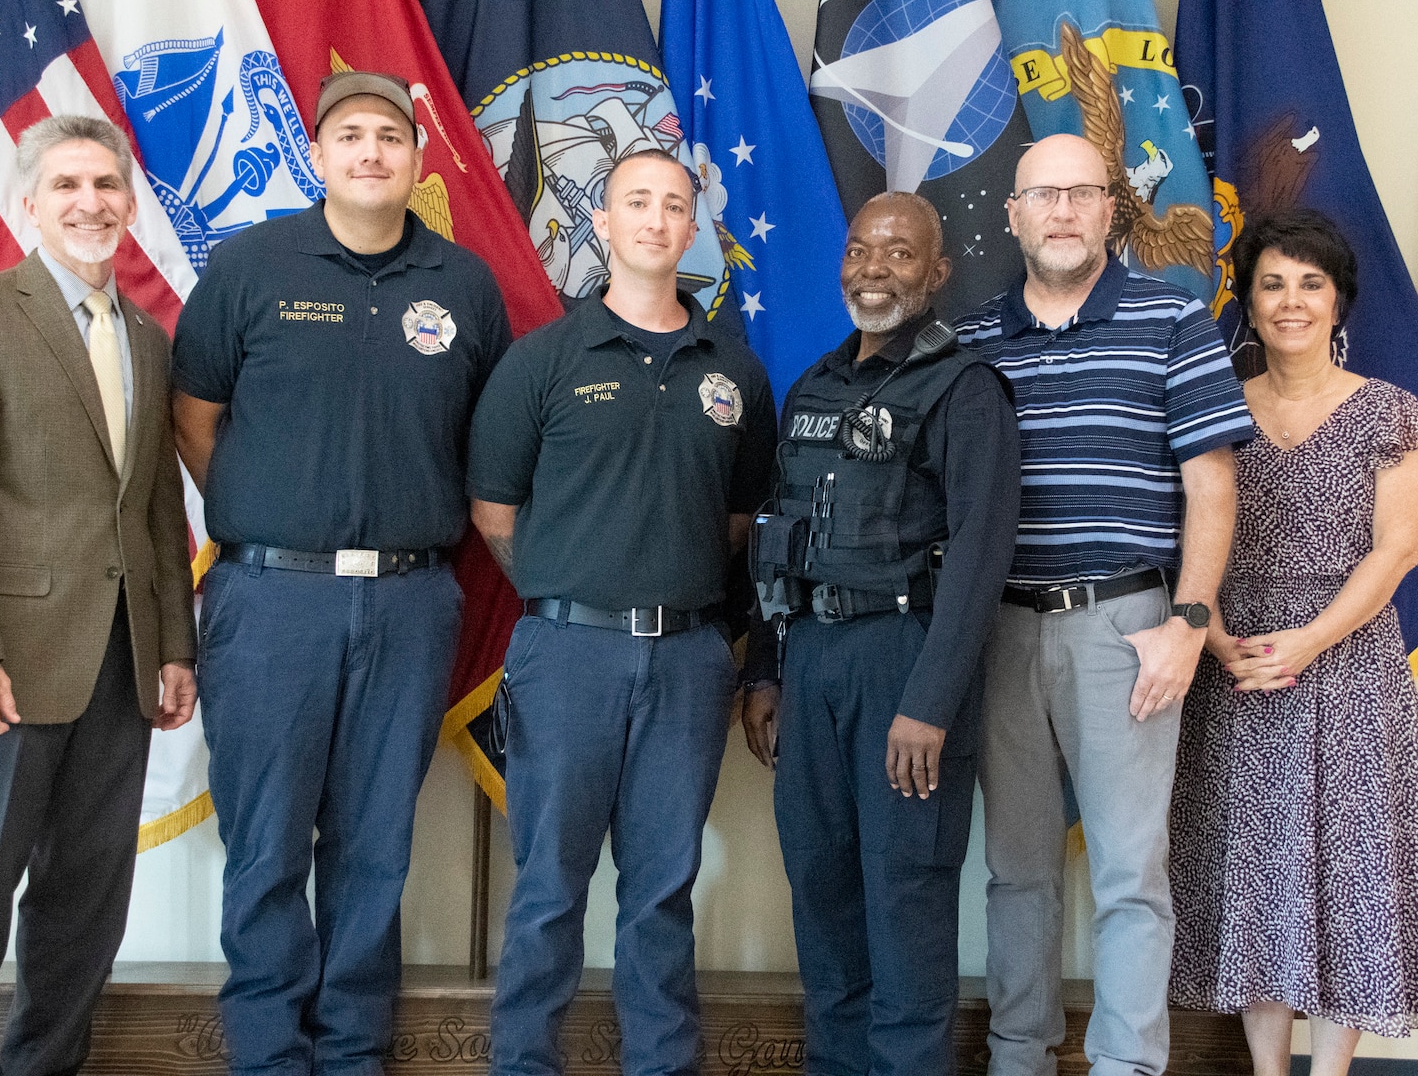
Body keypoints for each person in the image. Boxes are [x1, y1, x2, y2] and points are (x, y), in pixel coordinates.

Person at [170, 71, 512, 1073]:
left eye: (390, 137)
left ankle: (354, 1053)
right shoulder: (248, 266)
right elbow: (194, 420)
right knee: (268, 845)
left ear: (416, 158)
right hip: (269, 602)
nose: (371, 153)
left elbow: (486, 442)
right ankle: (270, 1056)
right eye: (350, 135)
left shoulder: (463, 286)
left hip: (410, 602)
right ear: (316, 156)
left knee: (374, 850)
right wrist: (280, 518)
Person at [0, 114, 198, 1076]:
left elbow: (155, 508)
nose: (90, 202)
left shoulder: (149, 339)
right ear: (30, 204)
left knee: (85, 897)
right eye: (67, 185)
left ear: (128, 202)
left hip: (120, 665)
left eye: (106, 185)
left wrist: (174, 649)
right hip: (7, 663)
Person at [467, 148, 775, 1076]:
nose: (654, 219)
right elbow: (493, 512)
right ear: (599, 224)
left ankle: (661, 1064)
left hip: (686, 660)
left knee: (661, 890)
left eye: (673, 206)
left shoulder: (736, 371)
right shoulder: (544, 360)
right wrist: (575, 587)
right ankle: (523, 1061)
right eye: (635, 202)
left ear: (694, 230)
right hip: (566, 654)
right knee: (549, 888)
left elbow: (737, 519)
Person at [955, 133, 1253, 1076]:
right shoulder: (970, 338)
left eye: (1082, 193)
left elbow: (1212, 485)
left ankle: (1127, 1064)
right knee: (1017, 872)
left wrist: (1189, 625)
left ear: (1111, 207)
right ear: (1014, 213)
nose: (1063, 211)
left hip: (1128, 629)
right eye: (1044, 195)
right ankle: (1019, 1056)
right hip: (998, 629)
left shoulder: (1171, 319)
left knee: (1130, 876)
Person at [737, 190, 1021, 1075]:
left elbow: (980, 559)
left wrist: (929, 706)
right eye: (862, 251)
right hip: (811, 664)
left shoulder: (965, 390)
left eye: (900, 255)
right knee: (822, 898)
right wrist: (766, 672)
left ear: (936, 274)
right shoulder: (814, 387)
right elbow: (778, 540)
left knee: (904, 902)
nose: (875, 269)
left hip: (905, 665)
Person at [1168, 209, 1418, 1076]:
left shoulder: (1390, 412)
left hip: (1350, 666)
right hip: (1237, 668)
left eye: (1310, 284)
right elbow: (1175, 541)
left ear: (1338, 302)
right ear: (1247, 305)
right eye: (1272, 284)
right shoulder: (1213, 410)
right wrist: (1218, 645)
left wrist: (1311, 641)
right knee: (1256, 874)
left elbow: (1396, 550)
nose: (1292, 302)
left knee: (1348, 871)